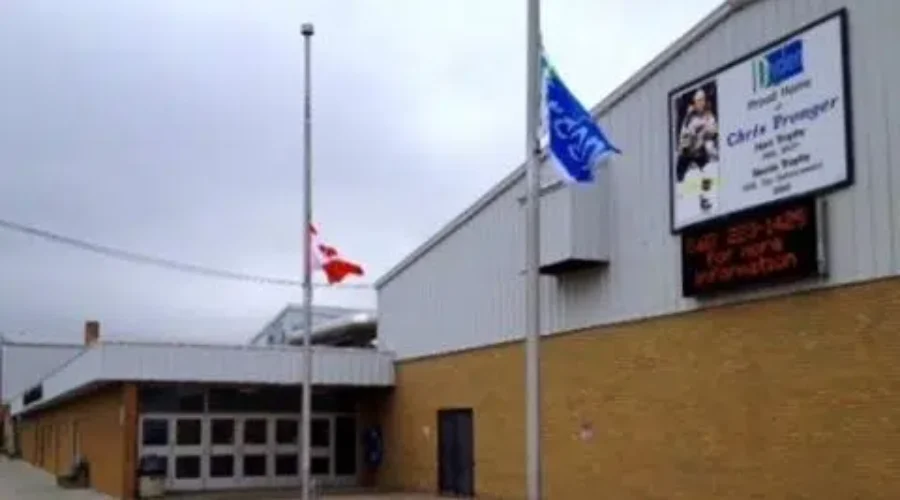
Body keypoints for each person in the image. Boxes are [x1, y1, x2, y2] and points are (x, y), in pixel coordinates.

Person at [675, 88, 719, 183]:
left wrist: (706, 133)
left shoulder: (708, 115)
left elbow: (713, 131)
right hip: (687, 151)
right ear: (695, 101)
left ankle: (706, 193)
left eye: (702, 100)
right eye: (699, 100)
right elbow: (685, 136)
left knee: (708, 170)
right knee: (680, 175)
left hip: (700, 150)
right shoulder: (689, 116)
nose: (701, 103)